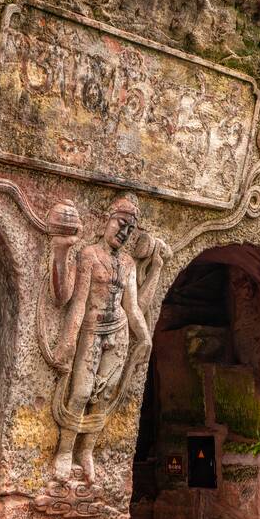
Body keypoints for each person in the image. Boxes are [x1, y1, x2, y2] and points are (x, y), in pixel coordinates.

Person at [49, 196, 151, 482]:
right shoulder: (89, 254)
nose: (124, 232)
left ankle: (87, 452)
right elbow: (77, 301)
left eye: (130, 230)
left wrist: (144, 337)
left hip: (118, 331)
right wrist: (68, 339)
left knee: (104, 395)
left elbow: (131, 307)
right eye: (121, 224)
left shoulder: (129, 263)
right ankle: (66, 451)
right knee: (81, 392)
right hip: (92, 329)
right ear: (108, 219)